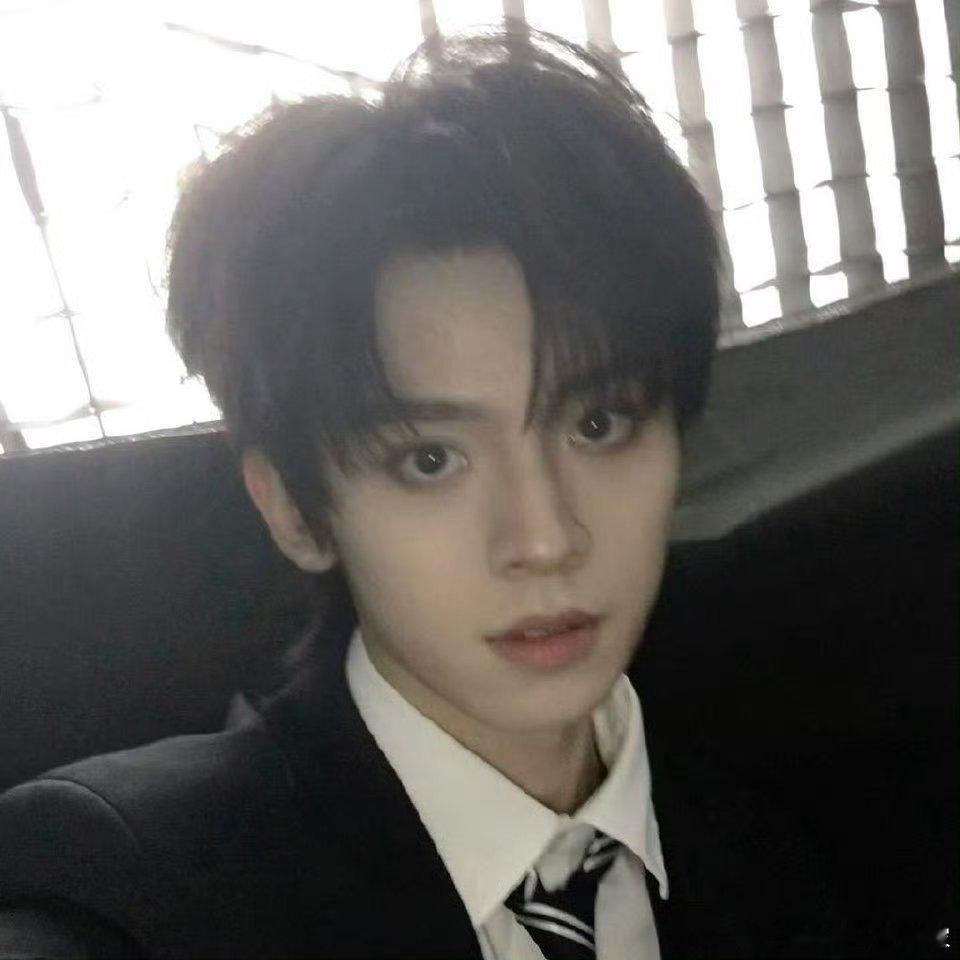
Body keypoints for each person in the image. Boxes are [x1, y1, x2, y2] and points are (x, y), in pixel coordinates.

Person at [0, 25, 847, 960]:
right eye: (431, 460)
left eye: (599, 424)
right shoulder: (146, 889)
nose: (544, 539)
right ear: (293, 509)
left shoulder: (791, 806)